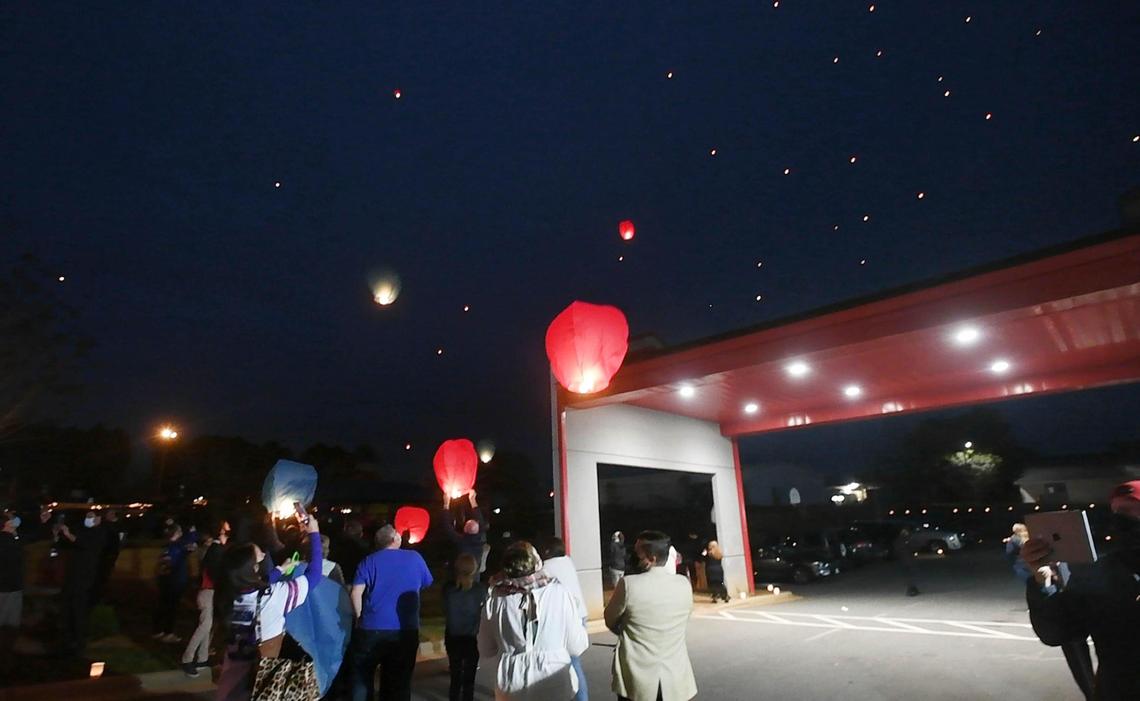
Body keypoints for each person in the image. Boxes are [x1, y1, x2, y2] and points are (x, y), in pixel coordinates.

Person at [1021, 481, 1140, 701]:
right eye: (1116, 512)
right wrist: (1042, 580)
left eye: (1129, 511)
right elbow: (1056, 633)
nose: (1120, 521)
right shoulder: (1098, 572)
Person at [214, 513, 324, 701]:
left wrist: (279, 570)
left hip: (230, 687)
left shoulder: (226, 596)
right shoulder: (273, 597)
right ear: (252, 570)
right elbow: (314, 575)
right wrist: (314, 533)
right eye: (259, 557)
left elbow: (257, 587)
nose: (265, 555)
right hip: (262, 687)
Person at [478, 541, 588, 700]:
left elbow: (485, 648)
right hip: (556, 684)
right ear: (537, 563)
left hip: (512, 685)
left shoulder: (495, 599)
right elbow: (577, 646)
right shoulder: (559, 592)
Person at [604, 530, 696, 701]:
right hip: (676, 678)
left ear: (652, 558)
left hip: (637, 679)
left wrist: (626, 627)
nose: (633, 558)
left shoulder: (629, 585)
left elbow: (610, 619)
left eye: (638, 554)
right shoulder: (684, 584)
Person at [349, 524, 434, 701]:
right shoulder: (414, 558)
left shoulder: (369, 561)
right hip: (405, 629)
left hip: (371, 627)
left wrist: (358, 617)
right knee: (399, 683)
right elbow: (426, 582)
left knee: (362, 678)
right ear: (394, 539)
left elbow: (356, 592)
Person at [1, 507, 50, 680]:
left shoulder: (14, 538)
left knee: (9, 627)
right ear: (5, 524)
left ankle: (6, 660)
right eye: (11, 518)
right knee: (8, 626)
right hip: (6, 589)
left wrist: (42, 523)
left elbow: (32, 536)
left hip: (13, 588)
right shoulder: (8, 540)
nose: (14, 520)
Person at [541, 537, 589, 701]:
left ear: (547, 551)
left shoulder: (546, 567)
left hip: (564, 617)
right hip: (580, 614)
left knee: (567, 664)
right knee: (575, 663)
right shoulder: (568, 562)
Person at [57, 509, 107, 655]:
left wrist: (68, 534)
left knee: (79, 608)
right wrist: (59, 536)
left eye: (91, 517)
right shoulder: (82, 530)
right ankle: (67, 639)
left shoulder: (100, 533)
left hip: (85, 577)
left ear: (98, 519)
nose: (88, 519)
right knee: (67, 607)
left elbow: (83, 543)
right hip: (72, 575)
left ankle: (79, 641)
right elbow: (68, 544)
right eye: (87, 516)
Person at [182, 522, 228, 676]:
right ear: (219, 534)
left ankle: (202, 658)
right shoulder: (217, 551)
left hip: (207, 592)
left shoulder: (213, 550)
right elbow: (217, 574)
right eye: (224, 532)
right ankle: (187, 659)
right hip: (208, 592)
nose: (226, 535)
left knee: (207, 627)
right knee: (204, 627)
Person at [442, 553, 487, 701]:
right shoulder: (479, 590)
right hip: (472, 636)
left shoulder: (449, 589)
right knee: (469, 676)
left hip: (453, 635)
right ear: (474, 569)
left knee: (455, 674)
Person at [153, 523, 198, 643]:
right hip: (175, 582)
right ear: (177, 533)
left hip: (164, 581)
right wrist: (193, 532)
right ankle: (168, 633)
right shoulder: (179, 547)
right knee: (172, 608)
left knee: (163, 606)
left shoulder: (168, 547)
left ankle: (158, 631)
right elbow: (191, 543)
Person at [443, 491, 488, 571]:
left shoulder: (461, 541)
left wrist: (446, 503)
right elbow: (480, 521)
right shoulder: (481, 538)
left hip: (460, 572)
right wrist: (472, 500)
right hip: (475, 572)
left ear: (464, 529)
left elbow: (447, 526)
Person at [91, 508, 123, 604]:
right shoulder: (106, 526)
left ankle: (100, 596)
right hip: (103, 555)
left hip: (108, 555)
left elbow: (117, 542)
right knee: (100, 577)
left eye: (112, 513)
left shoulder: (113, 527)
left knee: (103, 576)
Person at [337, 520, 369, 584]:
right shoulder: (365, 547)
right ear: (361, 533)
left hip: (340, 580)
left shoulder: (338, 544)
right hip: (357, 580)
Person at [893, 526, 920, 596]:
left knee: (907, 575)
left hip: (902, 560)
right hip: (909, 559)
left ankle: (911, 589)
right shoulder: (908, 539)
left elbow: (896, 550)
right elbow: (914, 548)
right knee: (911, 575)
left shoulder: (898, 540)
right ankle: (912, 589)